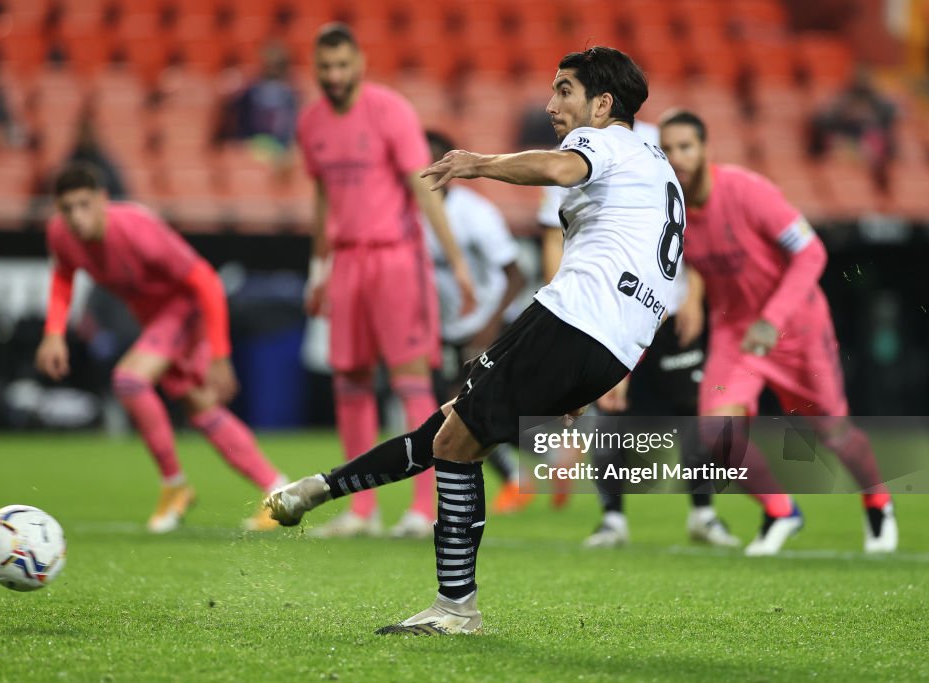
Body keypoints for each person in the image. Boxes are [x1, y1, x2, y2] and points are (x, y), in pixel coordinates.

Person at [268, 46, 684, 634]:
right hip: (613, 343)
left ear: (603, 103)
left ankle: (455, 607)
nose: (551, 104)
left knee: (457, 444)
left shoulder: (606, 142)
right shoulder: (659, 168)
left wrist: (477, 163)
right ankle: (319, 490)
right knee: (451, 429)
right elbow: (662, 283)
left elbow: (561, 169)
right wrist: (601, 368)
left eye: (563, 90)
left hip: (574, 320)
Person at [658, 109, 898, 556]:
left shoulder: (748, 191)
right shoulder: (673, 209)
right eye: (667, 149)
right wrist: (691, 299)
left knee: (833, 432)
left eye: (685, 146)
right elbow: (691, 266)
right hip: (736, 333)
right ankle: (780, 510)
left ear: (706, 149)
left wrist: (773, 318)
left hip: (798, 327)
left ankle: (878, 500)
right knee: (716, 432)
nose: (677, 157)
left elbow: (811, 252)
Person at [35, 163, 287, 534]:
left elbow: (205, 281)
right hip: (156, 321)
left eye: (84, 205)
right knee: (200, 407)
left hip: (186, 309)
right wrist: (54, 332)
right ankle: (279, 492)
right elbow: (63, 275)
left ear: (103, 200)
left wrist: (219, 354)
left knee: (129, 380)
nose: (76, 217)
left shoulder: (137, 230)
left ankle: (175, 485)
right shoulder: (60, 234)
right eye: (67, 208)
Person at [296, 24, 475, 539]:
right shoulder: (311, 123)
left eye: (341, 66)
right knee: (349, 380)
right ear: (316, 68)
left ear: (360, 63)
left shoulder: (390, 109)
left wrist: (456, 262)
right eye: (325, 67)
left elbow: (423, 189)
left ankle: (424, 507)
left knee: (411, 379)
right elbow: (322, 198)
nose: (334, 76)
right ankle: (361, 510)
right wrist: (318, 270)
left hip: (396, 259)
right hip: (347, 261)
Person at [539, 139, 738, 549]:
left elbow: (693, 243)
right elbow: (555, 241)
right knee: (611, 415)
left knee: (692, 411)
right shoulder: (571, 163)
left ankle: (703, 514)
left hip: (669, 313)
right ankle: (613, 519)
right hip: (614, 314)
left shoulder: (649, 157)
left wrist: (695, 298)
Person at [423, 129, 530, 515]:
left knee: (459, 406)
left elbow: (515, 274)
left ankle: (519, 478)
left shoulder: (475, 213)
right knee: (467, 408)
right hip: (447, 327)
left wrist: (489, 325)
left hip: (486, 321)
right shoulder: (410, 212)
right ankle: (545, 463)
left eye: (436, 161)